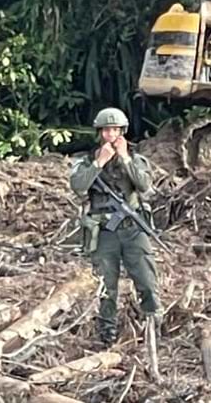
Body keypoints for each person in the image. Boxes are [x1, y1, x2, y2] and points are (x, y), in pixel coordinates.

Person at [69, 107, 162, 344]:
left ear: (123, 132)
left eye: (116, 130)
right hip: (104, 232)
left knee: (147, 281)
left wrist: (125, 159)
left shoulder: (136, 159)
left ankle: (154, 329)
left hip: (132, 229)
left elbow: (144, 185)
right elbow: (78, 186)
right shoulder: (86, 161)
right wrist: (99, 163)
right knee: (106, 286)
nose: (111, 135)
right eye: (106, 130)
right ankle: (107, 334)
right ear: (99, 132)